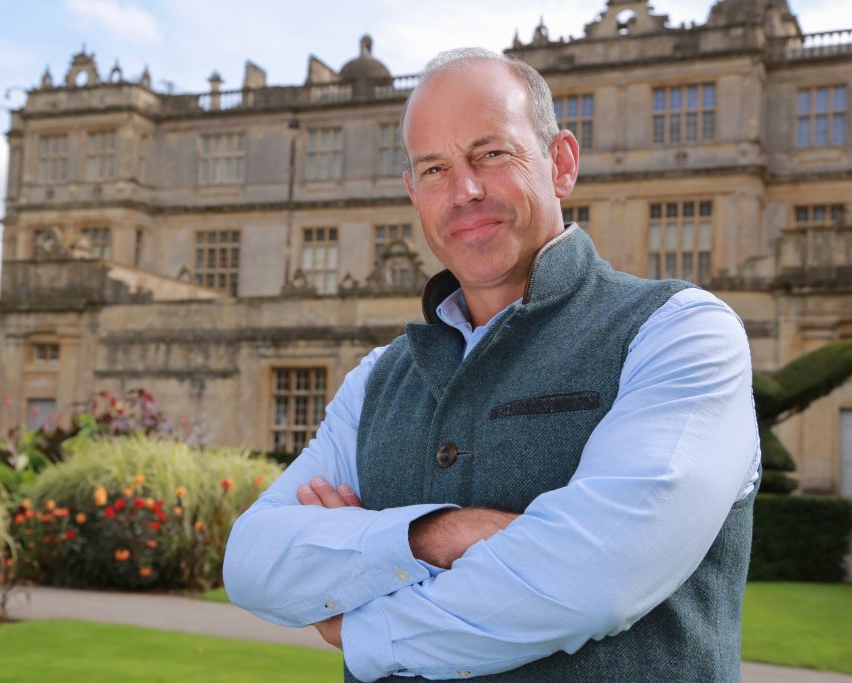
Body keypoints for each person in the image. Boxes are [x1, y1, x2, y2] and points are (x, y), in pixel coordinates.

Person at [224, 48, 760, 683]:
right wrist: (438, 535)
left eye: (492, 154)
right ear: (413, 192)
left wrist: (365, 619)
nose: (465, 190)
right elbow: (252, 561)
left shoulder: (680, 332)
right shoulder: (376, 377)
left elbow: (596, 577)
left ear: (561, 164)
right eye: (435, 168)